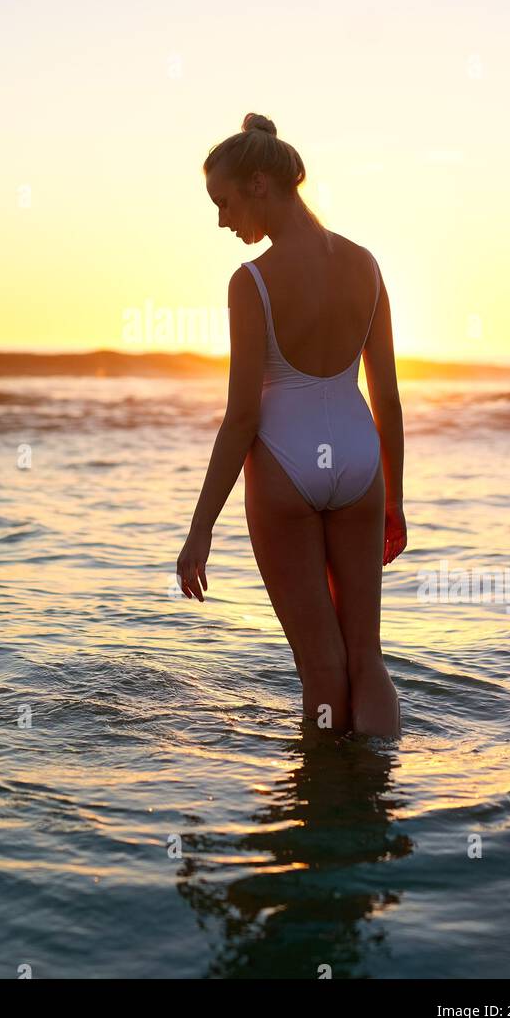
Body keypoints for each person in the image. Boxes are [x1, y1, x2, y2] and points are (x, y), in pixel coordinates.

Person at [176, 113, 406, 735]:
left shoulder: (251, 282)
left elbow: (242, 417)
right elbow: (386, 395)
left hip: (286, 466)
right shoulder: (367, 265)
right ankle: (383, 790)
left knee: (321, 667)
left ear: (258, 184)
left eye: (223, 202)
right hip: (360, 464)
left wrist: (200, 531)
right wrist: (396, 500)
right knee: (366, 657)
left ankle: (322, 809)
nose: (222, 220)